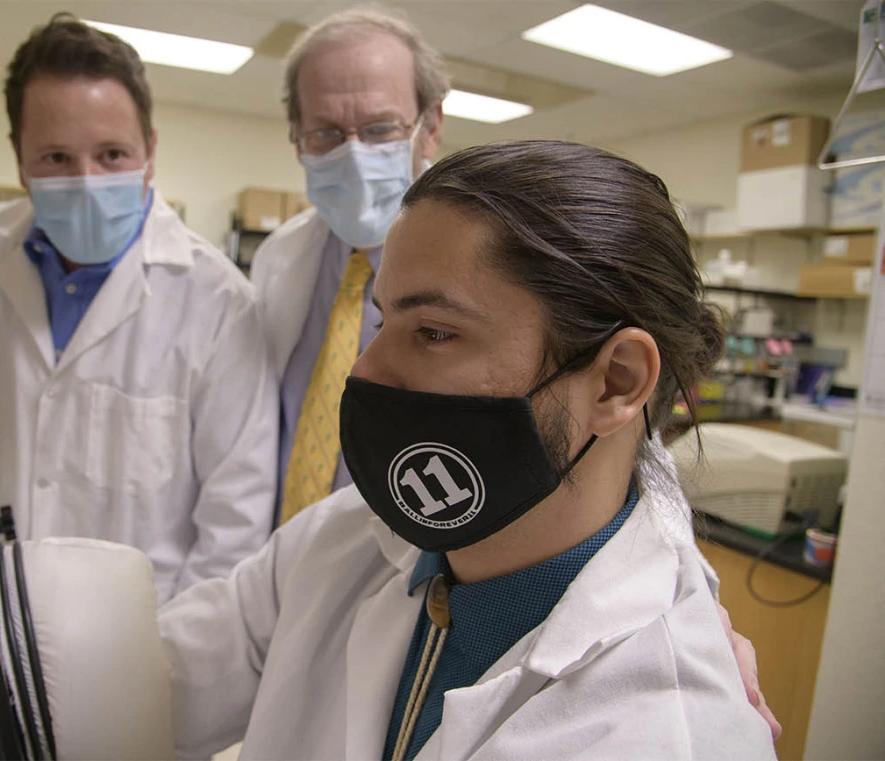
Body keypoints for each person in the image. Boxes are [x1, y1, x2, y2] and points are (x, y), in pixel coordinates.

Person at [158, 141, 779, 760]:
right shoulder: (344, 543)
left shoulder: (668, 733)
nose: (365, 370)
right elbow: (147, 686)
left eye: (434, 332)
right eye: (383, 324)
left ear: (616, 380)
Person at [0, 14, 277, 602]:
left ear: (151, 151)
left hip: (140, 642)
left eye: (112, 154)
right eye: (57, 158)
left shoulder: (220, 303)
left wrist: (168, 667)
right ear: (18, 157)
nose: (87, 182)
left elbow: (232, 531)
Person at [252, 7, 446, 525]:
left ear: (430, 127)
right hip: (274, 554)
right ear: (297, 139)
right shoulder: (278, 258)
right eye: (327, 134)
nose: (354, 154)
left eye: (381, 128)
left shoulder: (490, 265)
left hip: (402, 563)